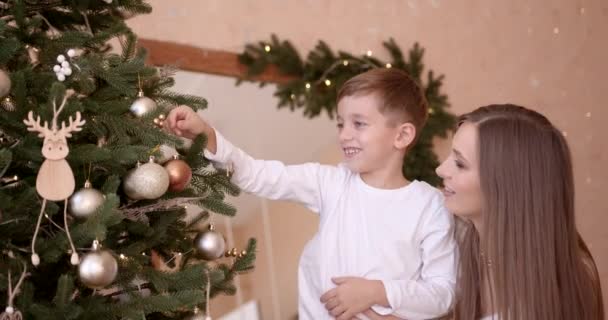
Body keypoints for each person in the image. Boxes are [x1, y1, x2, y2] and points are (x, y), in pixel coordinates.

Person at [165, 68, 456, 319]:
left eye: (359, 123)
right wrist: (207, 134)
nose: (343, 135)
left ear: (402, 135)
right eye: (341, 124)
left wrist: (377, 292)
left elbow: (443, 292)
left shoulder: (430, 206)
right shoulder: (330, 182)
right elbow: (258, 175)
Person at [433, 104, 605, 320]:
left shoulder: (568, 276)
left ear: (506, 183)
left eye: (460, 163)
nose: (440, 169)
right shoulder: (455, 240)